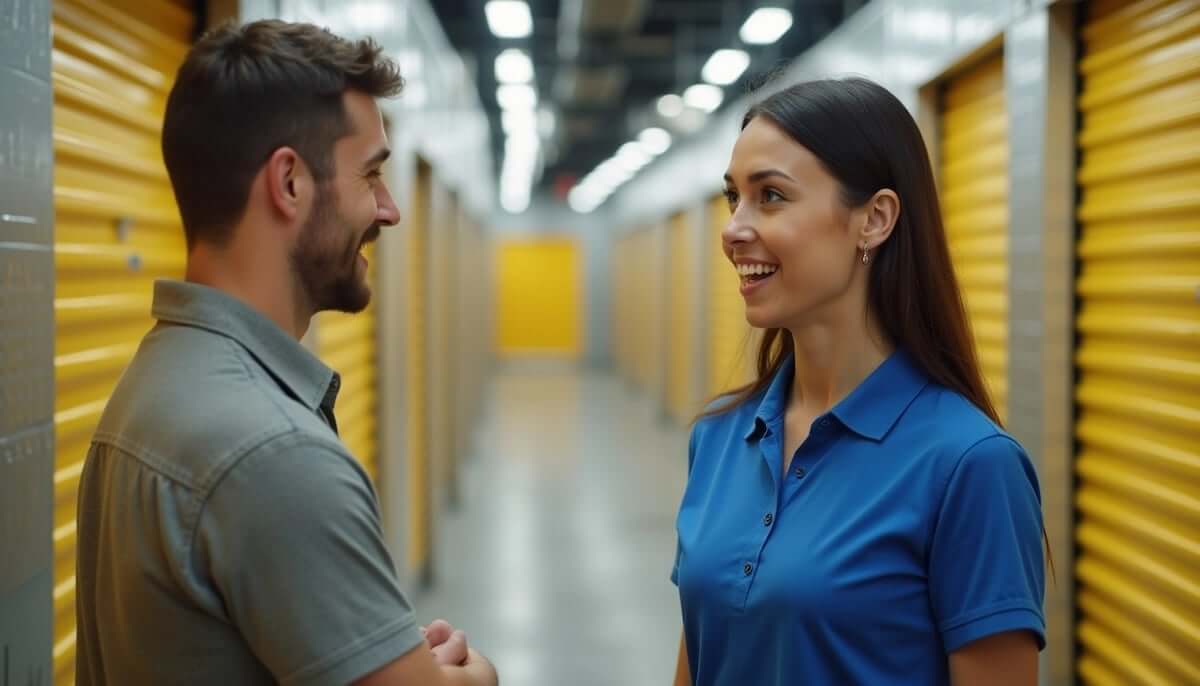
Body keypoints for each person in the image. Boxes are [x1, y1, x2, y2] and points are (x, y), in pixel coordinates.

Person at [74, 20, 497, 686]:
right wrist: (470, 675)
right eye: (373, 175)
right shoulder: (273, 451)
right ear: (290, 183)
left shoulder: (155, 385)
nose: (389, 210)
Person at [669, 77, 1046, 686]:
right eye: (732, 197)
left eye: (770, 196)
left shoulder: (970, 467)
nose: (734, 229)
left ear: (874, 219)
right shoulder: (718, 438)